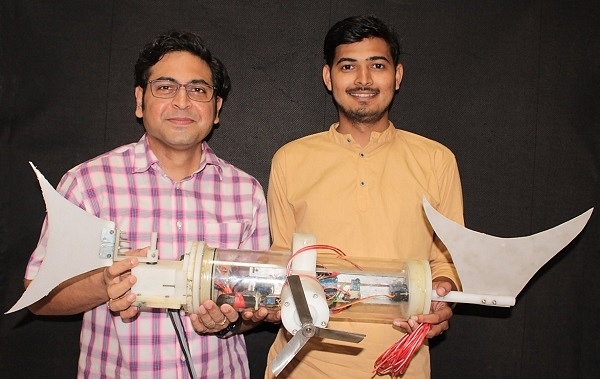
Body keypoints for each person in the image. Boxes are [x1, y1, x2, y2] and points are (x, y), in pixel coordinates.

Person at [24, 31, 271, 378]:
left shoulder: (246, 192)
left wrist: (232, 320)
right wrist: (103, 283)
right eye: (165, 87)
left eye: (198, 89)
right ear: (140, 100)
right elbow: (37, 294)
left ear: (216, 109)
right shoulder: (89, 183)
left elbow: (254, 303)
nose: (182, 102)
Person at [265, 15, 463, 378]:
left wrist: (442, 293)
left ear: (397, 75)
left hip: (400, 364)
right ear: (329, 77)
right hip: (303, 367)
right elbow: (282, 258)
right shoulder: (290, 159)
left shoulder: (436, 160)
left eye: (377, 65)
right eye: (348, 66)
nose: (363, 80)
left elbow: (447, 261)